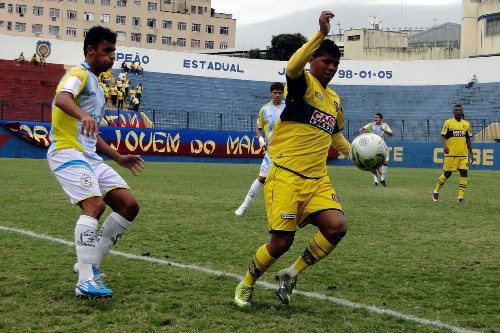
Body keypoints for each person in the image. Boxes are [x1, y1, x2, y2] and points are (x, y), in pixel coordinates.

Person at [234, 10, 351, 308]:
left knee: (337, 227)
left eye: (335, 64)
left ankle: (291, 273)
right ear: (313, 61)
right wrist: (320, 35)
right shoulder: (301, 86)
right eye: (326, 62)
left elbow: (336, 135)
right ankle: (247, 282)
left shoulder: (335, 100)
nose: (331, 68)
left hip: (317, 181)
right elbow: (293, 66)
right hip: (285, 175)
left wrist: (358, 155)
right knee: (280, 243)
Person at [46, 26, 145, 298]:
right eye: (107, 51)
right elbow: (61, 98)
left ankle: (89, 264)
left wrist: (117, 156)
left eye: (114, 51)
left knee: (128, 205)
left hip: (89, 157)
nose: (112, 57)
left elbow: (92, 132)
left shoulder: (97, 86)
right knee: (94, 205)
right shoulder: (77, 74)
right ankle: (85, 280)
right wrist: (82, 115)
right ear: (91, 50)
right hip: (67, 152)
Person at [235, 82, 286, 216]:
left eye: (280, 92)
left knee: (287, 180)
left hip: (288, 150)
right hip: (272, 150)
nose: (277, 95)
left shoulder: (289, 107)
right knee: (262, 178)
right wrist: (260, 139)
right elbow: (258, 127)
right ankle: (244, 206)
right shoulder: (264, 109)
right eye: (275, 92)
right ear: (271, 93)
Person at [432, 104, 474, 203]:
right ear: (453, 112)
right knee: (447, 173)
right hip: (451, 154)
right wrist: (445, 146)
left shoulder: (466, 124)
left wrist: (471, 153)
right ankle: (436, 191)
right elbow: (443, 136)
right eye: (456, 110)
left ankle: (460, 197)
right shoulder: (448, 123)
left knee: (464, 172)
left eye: (460, 110)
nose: (458, 111)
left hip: (463, 154)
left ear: (462, 112)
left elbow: (468, 139)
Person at [359, 112, 393, 186]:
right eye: (375, 117)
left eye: (377, 117)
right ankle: (375, 181)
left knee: (385, 163)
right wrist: (363, 133)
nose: (375, 119)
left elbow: (391, 134)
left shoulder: (385, 125)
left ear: (381, 119)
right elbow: (362, 129)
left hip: (382, 146)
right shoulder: (371, 125)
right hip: (373, 147)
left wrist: (384, 130)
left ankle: (382, 179)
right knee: (373, 164)